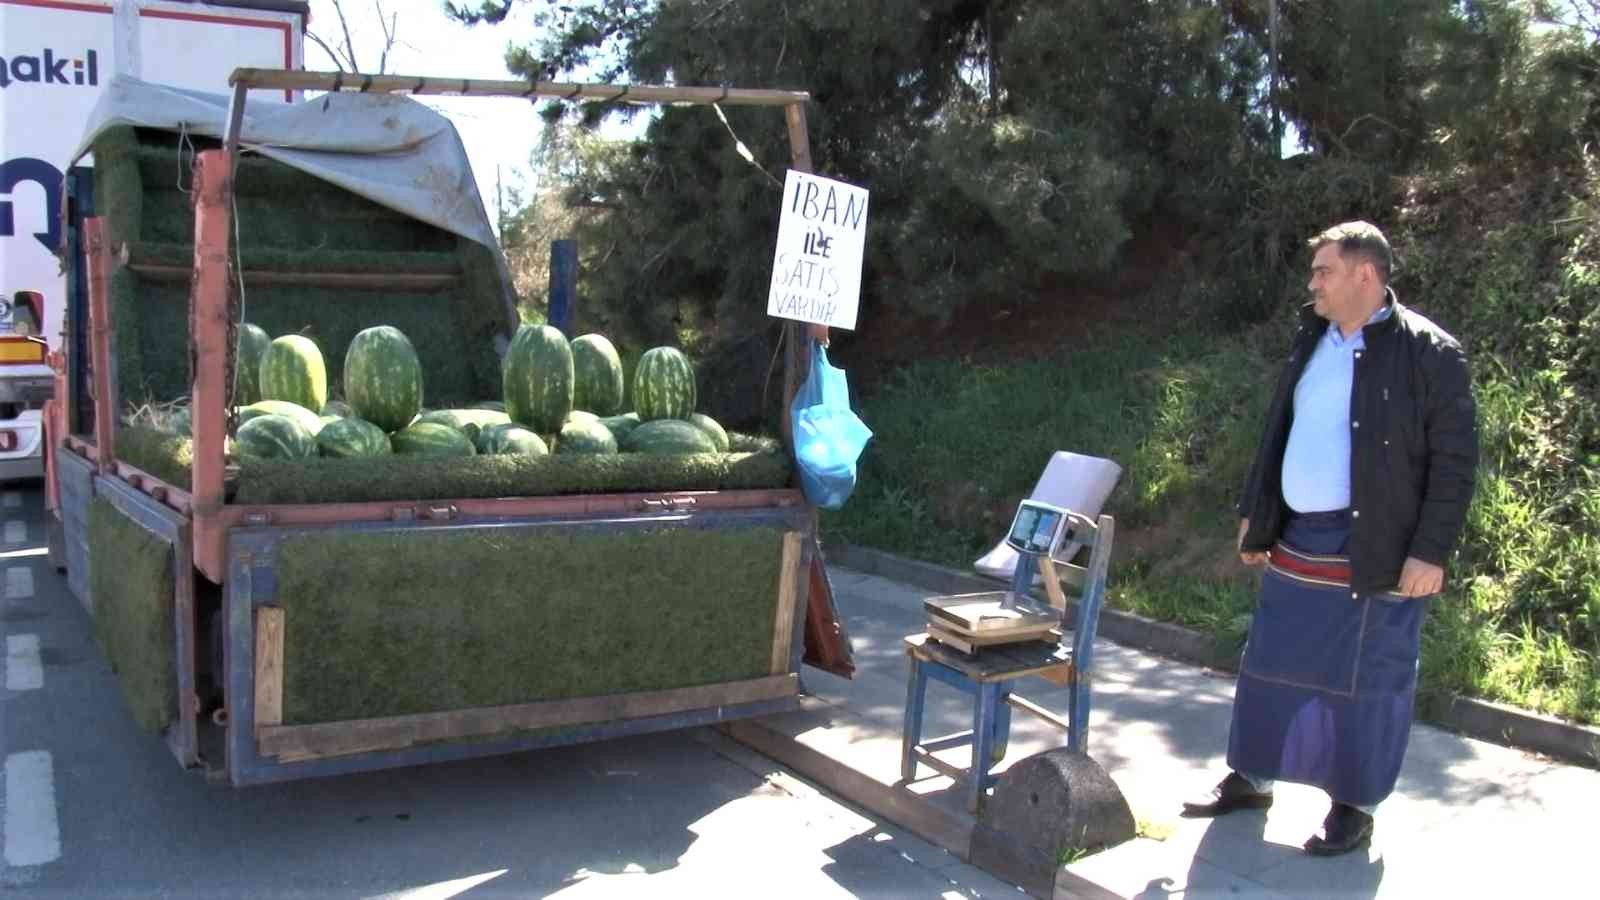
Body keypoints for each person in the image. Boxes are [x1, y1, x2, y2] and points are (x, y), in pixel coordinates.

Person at [1182, 221, 1478, 856]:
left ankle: (1354, 806)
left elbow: (1455, 464)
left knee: (1367, 681)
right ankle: (1252, 779)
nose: (1312, 283)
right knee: (1269, 665)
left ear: (1364, 274)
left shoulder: (1430, 352)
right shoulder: (1312, 336)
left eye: (1324, 271)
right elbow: (1280, 429)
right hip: (1299, 538)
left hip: (1378, 546)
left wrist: (1430, 552)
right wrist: (1257, 511)